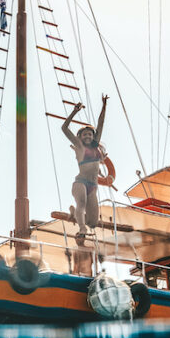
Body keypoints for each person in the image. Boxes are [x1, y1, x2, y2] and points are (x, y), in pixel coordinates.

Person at [61, 95, 108, 241]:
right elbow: (64, 128)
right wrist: (74, 111)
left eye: (90, 134)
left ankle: (73, 212)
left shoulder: (95, 146)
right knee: (81, 204)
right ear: (80, 137)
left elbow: (100, 124)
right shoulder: (79, 147)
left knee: (93, 222)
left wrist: (104, 106)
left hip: (93, 186)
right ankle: (81, 228)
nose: (88, 136)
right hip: (80, 182)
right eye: (85, 134)